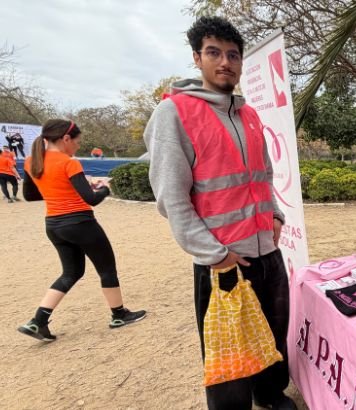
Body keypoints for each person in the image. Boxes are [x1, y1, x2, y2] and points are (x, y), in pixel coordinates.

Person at [144, 16, 296, 410]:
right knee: (228, 352)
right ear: (197, 58)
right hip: (222, 261)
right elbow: (171, 198)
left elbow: (264, 175)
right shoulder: (174, 113)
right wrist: (216, 254)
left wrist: (276, 215)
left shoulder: (249, 115)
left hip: (267, 251)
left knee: (274, 329)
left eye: (233, 55)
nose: (225, 62)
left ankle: (270, 393)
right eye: (214, 53)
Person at [17, 119, 146, 342]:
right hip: (80, 223)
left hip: (54, 225)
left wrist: (61, 192)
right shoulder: (69, 162)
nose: (77, 146)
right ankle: (119, 314)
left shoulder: (31, 161)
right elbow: (91, 199)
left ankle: (38, 321)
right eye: (77, 142)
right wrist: (105, 188)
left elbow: (30, 196)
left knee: (71, 273)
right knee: (107, 269)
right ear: (65, 139)